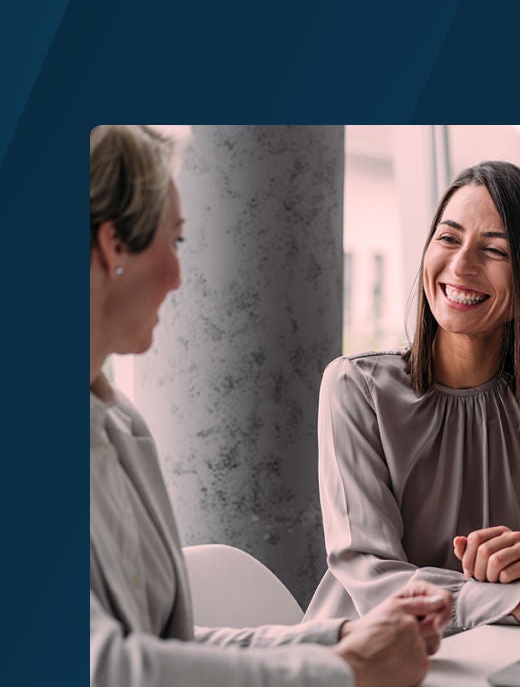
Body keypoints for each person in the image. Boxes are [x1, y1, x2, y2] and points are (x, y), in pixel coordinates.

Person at [90, 125, 453, 687]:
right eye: (176, 242)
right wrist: (341, 672)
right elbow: (104, 668)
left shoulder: (121, 426)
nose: (181, 276)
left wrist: (336, 638)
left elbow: (171, 650)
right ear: (115, 244)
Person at [305, 161, 520, 633]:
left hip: (500, 652)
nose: (460, 266)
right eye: (448, 239)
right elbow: (373, 575)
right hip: (370, 656)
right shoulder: (357, 387)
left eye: (495, 251)